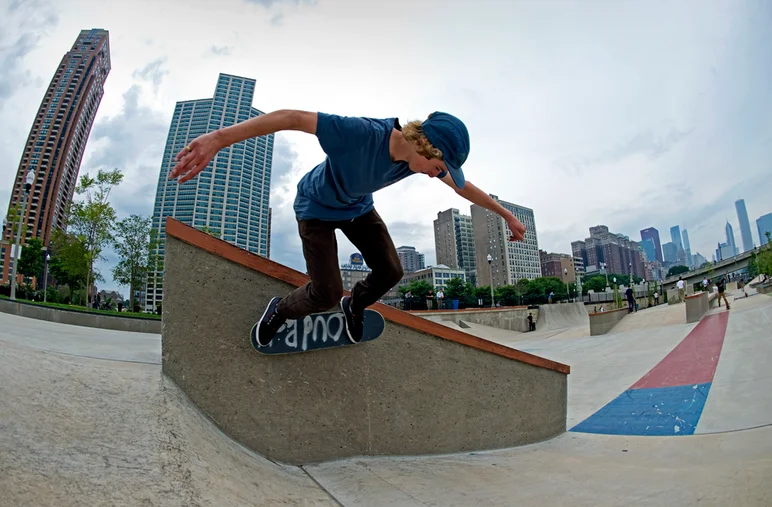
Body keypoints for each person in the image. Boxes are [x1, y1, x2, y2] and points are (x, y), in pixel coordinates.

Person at [170, 109, 526, 346]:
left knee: (391, 270)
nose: (437, 175)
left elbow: (464, 188)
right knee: (325, 293)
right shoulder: (358, 133)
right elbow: (290, 118)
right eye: (438, 167)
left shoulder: (420, 159)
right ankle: (281, 310)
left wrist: (506, 215)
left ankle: (354, 305)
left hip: (357, 209)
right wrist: (218, 139)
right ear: (424, 145)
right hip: (315, 210)